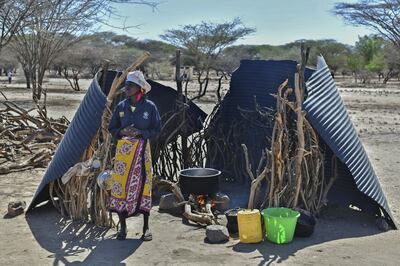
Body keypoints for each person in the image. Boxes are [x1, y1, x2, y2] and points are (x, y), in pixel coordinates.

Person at [108, 70, 161, 241]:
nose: (127, 88)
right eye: (126, 85)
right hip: (123, 155)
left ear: (140, 88)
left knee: (144, 185)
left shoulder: (149, 107)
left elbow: (156, 129)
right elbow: (112, 127)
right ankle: (122, 228)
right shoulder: (121, 106)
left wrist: (141, 132)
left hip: (141, 152)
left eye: (130, 85)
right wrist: (121, 131)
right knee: (121, 187)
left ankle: (146, 228)